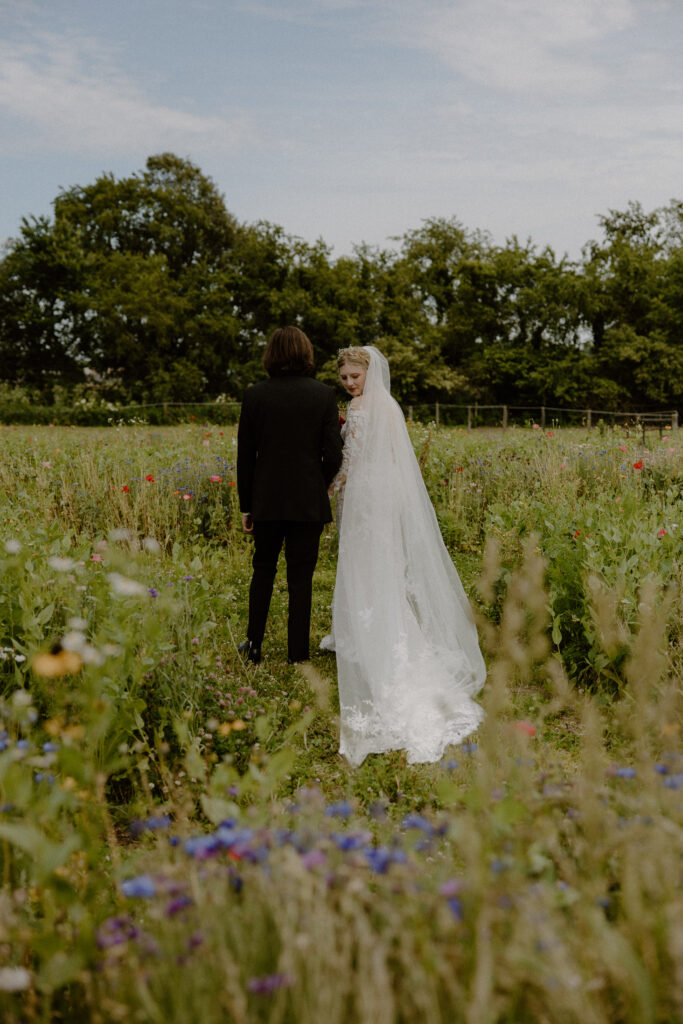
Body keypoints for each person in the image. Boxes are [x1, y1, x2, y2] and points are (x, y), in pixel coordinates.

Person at [322, 345, 486, 765]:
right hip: (388, 495)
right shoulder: (390, 406)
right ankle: (380, 624)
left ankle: (368, 630)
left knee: (364, 567)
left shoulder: (361, 409)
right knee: (382, 566)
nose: (349, 384)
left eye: (354, 377)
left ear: (369, 373)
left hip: (365, 496)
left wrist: (331, 488)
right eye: (344, 379)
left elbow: (349, 459)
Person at [237, 326, 343, 664]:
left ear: (271, 354)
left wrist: (246, 506)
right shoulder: (324, 395)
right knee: (301, 578)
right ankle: (298, 654)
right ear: (306, 353)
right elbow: (335, 454)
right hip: (308, 501)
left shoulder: (254, 395)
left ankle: (253, 645)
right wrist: (318, 483)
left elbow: (246, 456)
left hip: (266, 501)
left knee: (263, 570)